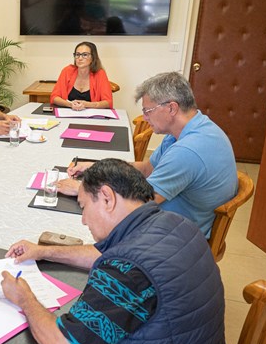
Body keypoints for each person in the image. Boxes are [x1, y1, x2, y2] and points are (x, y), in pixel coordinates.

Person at [2, 159, 225, 344]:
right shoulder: (176, 225)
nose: (84, 220)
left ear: (107, 197)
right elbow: (100, 254)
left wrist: (25, 299)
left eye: (84, 207)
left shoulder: (128, 268)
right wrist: (43, 251)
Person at [59, 71, 238, 237]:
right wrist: (97, 167)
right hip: (174, 216)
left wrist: (82, 189)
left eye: (147, 111)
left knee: (85, 227)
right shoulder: (187, 130)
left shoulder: (187, 151)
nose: (144, 117)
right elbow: (146, 169)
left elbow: (140, 203)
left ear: (171, 108)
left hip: (177, 233)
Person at [50, 41, 113, 110]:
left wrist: (87, 104)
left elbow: (108, 102)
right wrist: (70, 104)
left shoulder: (100, 74)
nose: (80, 58)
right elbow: (54, 97)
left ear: (93, 57)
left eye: (85, 55)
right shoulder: (67, 71)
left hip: (92, 117)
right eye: (77, 54)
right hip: (69, 115)